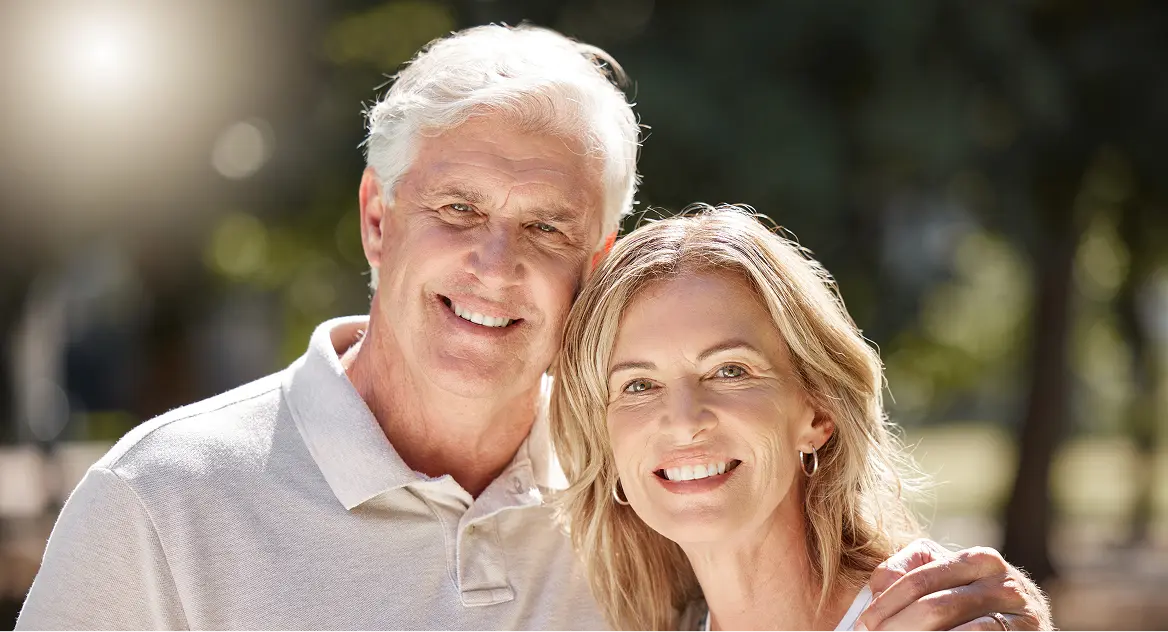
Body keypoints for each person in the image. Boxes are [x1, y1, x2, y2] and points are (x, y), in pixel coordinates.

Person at [16, 25, 1049, 631]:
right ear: (378, 218)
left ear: (594, 267)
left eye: (546, 226)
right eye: (456, 210)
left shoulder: (651, 488)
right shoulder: (158, 503)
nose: (494, 264)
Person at [551, 206, 1053, 632]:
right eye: (638, 385)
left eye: (730, 370)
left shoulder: (937, 621)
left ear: (818, 411)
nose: (683, 422)